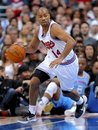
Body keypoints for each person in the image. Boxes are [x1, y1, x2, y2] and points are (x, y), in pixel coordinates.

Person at [19, 7, 87, 123]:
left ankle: (80, 102)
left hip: (67, 63)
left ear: (49, 16)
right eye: (40, 16)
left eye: (45, 15)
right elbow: (32, 48)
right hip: (51, 60)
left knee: (66, 92)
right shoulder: (38, 31)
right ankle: (31, 113)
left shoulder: (54, 28)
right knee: (34, 82)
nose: (43, 18)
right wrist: (21, 49)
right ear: (37, 18)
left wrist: (60, 58)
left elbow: (72, 41)